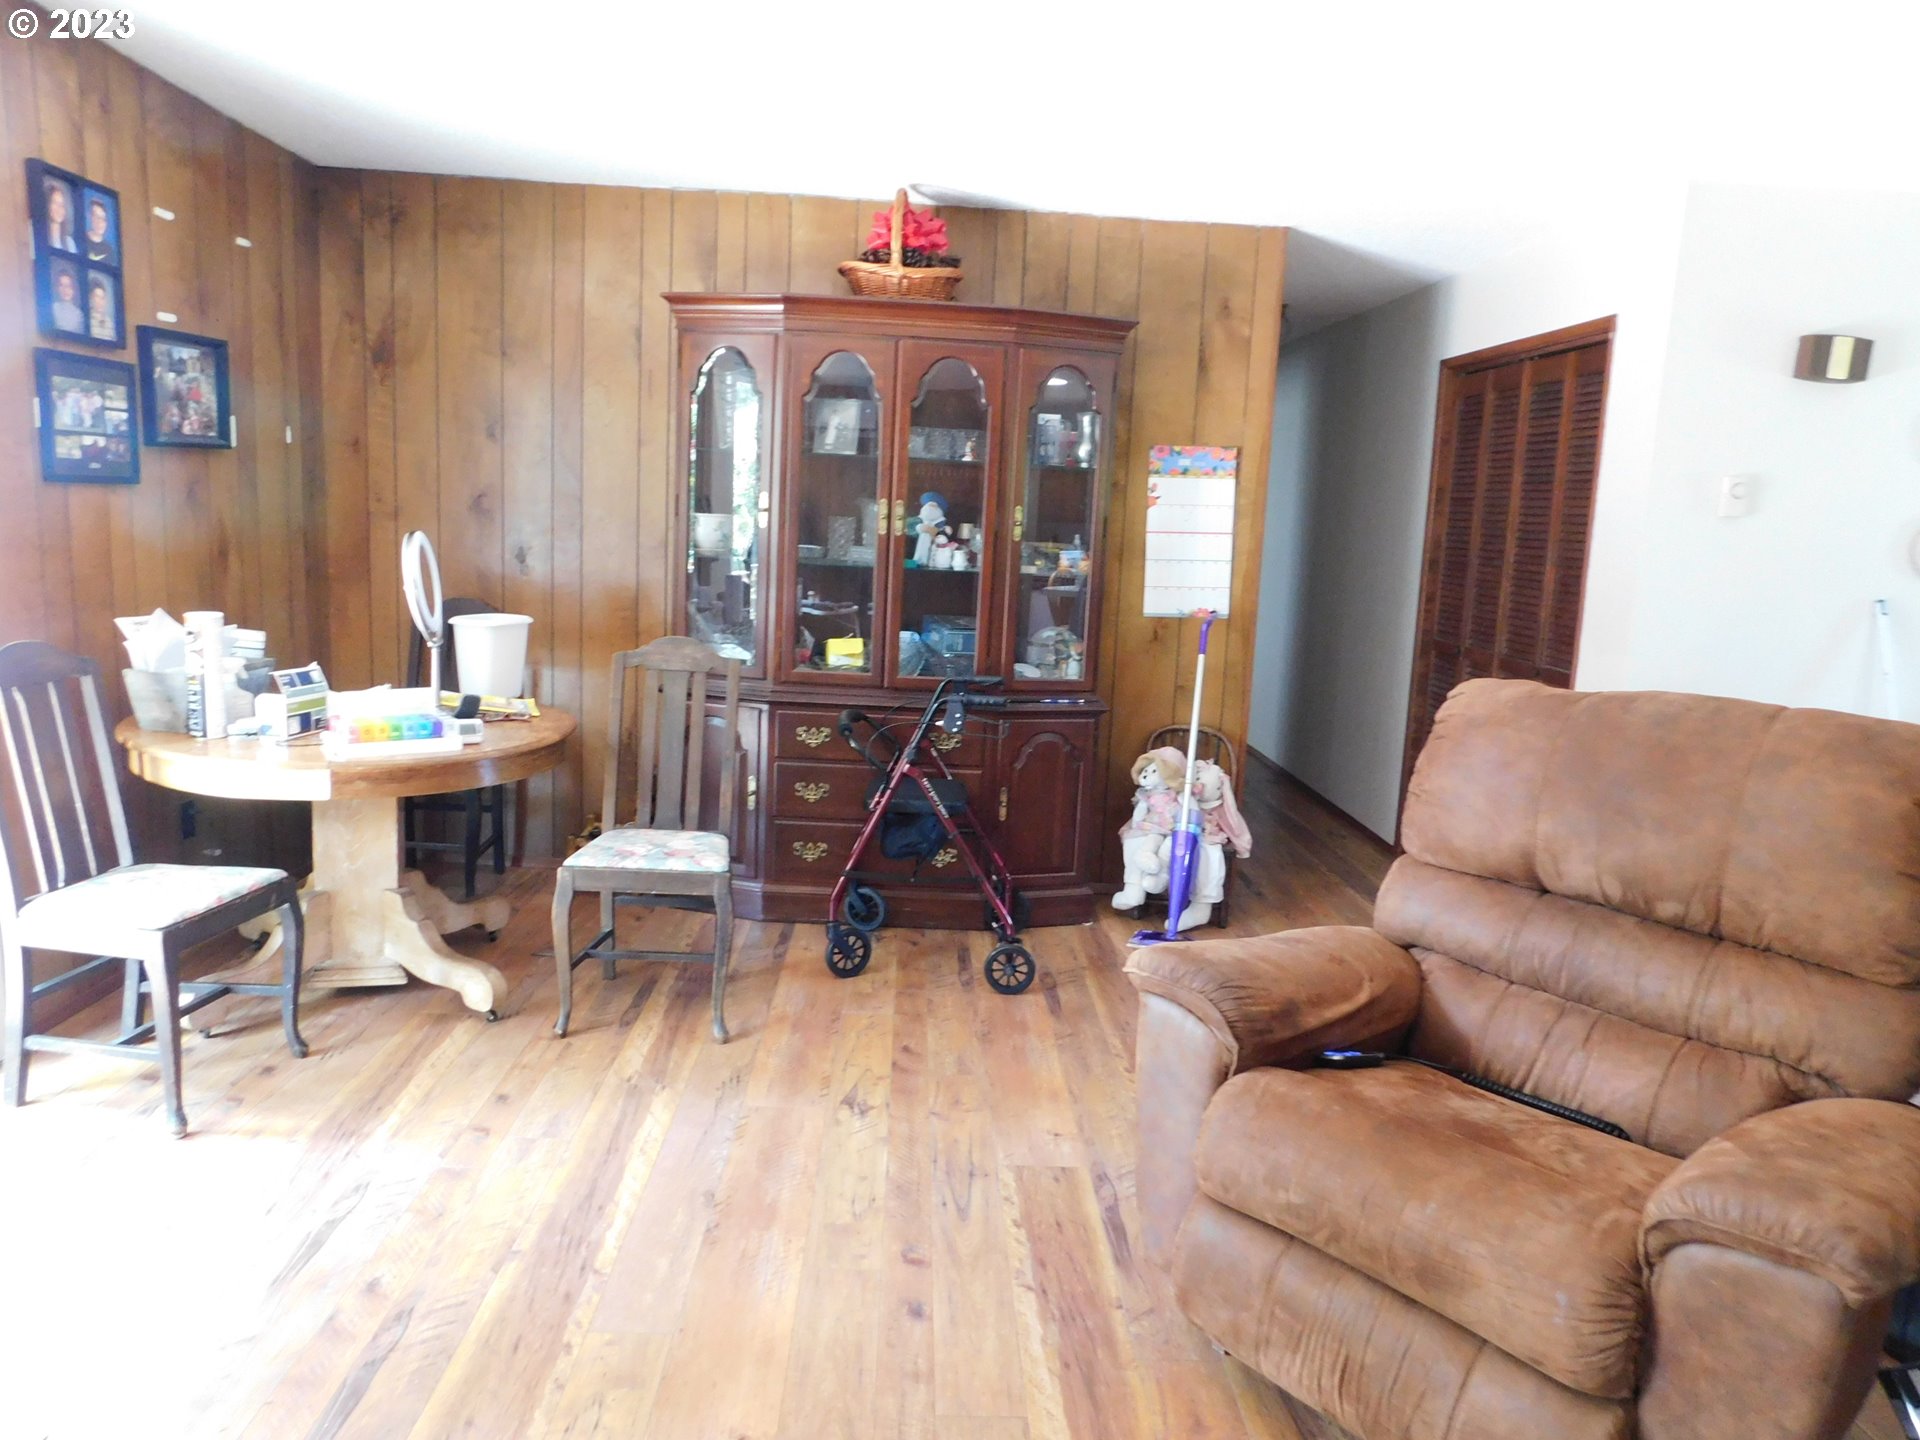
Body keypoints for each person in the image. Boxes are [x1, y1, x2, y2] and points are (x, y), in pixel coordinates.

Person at [42, 179, 77, 252]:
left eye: (62, 204)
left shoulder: (69, 243)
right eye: (55, 203)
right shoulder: (37, 235)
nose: (59, 208)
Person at [49, 266, 83, 332]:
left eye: (68, 286)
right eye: (62, 285)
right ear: (57, 288)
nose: (65, 289)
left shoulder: (79, 315)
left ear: (73, 289)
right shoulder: (53, 309)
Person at [83, 196, 116, 265]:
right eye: (97, 217)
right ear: (90, 217)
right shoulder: (80, 240)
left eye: (103, 218)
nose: (100, 222)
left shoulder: (109, 251)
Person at [87, 275, 114, 341]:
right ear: (91, 298)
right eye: (97, 297)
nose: (100, 302)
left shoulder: (109, 322)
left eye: (102, 298)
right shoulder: (87, 320)